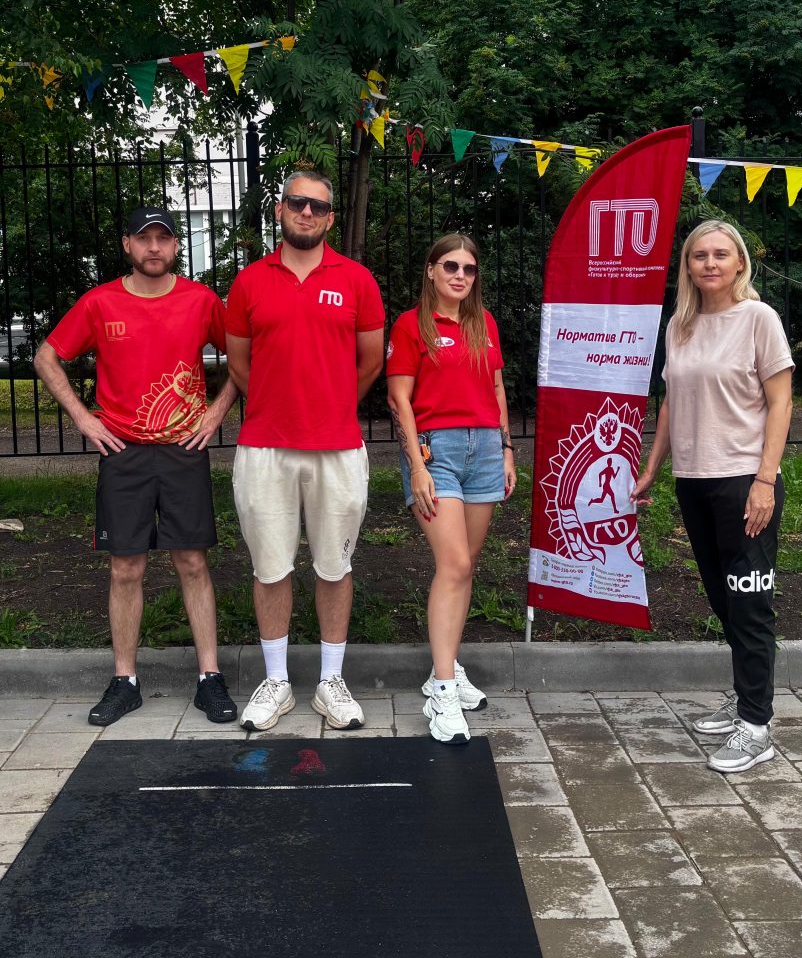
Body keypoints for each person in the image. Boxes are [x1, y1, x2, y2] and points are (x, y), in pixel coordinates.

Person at [34, 206, 239, 726]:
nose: (154, 247)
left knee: (192, 561)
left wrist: (216, 413)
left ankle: (209, 677)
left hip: (183, 448)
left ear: (176, 247)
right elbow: (46, 357)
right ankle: (125, 681)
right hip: (122, 451)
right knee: (126, 566)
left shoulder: (201, 300)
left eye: (163, 239)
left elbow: (244, 358)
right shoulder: (100, 302)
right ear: (127, 244)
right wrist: (84, 418)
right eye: (144, 238)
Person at [631, 220, 794, 774]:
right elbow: (672, 404)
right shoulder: (680, 325)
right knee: (724, 598)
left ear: (740, 262)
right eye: (699, 255)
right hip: (694, 480)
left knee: (749, 602)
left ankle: (756, 726)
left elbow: (781, 402)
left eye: (721, 254)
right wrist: (653, 468)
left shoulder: (758, 319)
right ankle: (748, 698)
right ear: (688, 266)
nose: (710, 263)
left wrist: (765, 481)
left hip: (744, 479)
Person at [226, 172, 385, 732]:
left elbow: (371, 360)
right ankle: (276, 682)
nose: (307, 212)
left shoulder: (357, 280)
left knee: (335, 566)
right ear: (280, 209)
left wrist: (331, 405)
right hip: (265, 447)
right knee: (270, 567)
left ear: (331, 218)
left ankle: (329, 682)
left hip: (336, 447)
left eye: (318, 206)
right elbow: (238, 362)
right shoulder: (249, 281)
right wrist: (278, 405)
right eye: (298, 202)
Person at [387, 234, 517, 744]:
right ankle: (442, 689)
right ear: (431, 270)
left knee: (466, 566)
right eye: (450, 266)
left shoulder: (484, 324)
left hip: (484, 449)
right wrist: (416, 466)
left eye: (469, 268)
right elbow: (399, 398)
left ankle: (446, 665)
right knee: (455, 563)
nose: (460, 275)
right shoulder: (411, 325)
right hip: (435, 450)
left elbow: (497, 387)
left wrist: (507, 450)